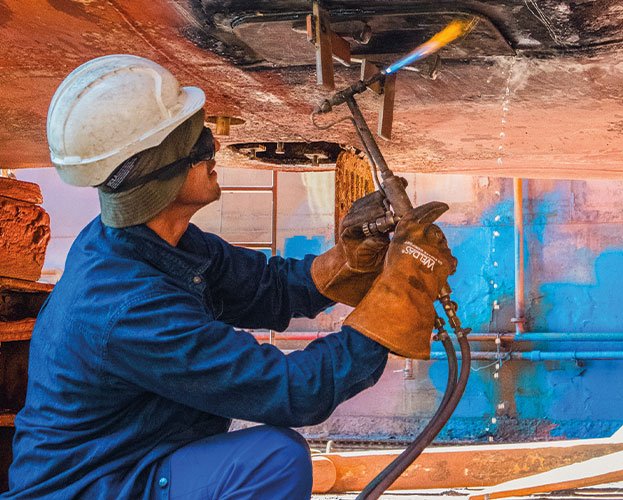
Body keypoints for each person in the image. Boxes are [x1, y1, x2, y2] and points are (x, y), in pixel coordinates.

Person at [4, 55, 456, 499]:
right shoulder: (129, 308)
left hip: (135, 460)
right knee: (271, 462)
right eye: (196, 144)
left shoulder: (153, 243)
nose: (214, 148)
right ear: (155, 175)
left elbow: (270, 289)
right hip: (96, 487)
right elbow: (293, 391)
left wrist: (350, 258)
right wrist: (401, 296)